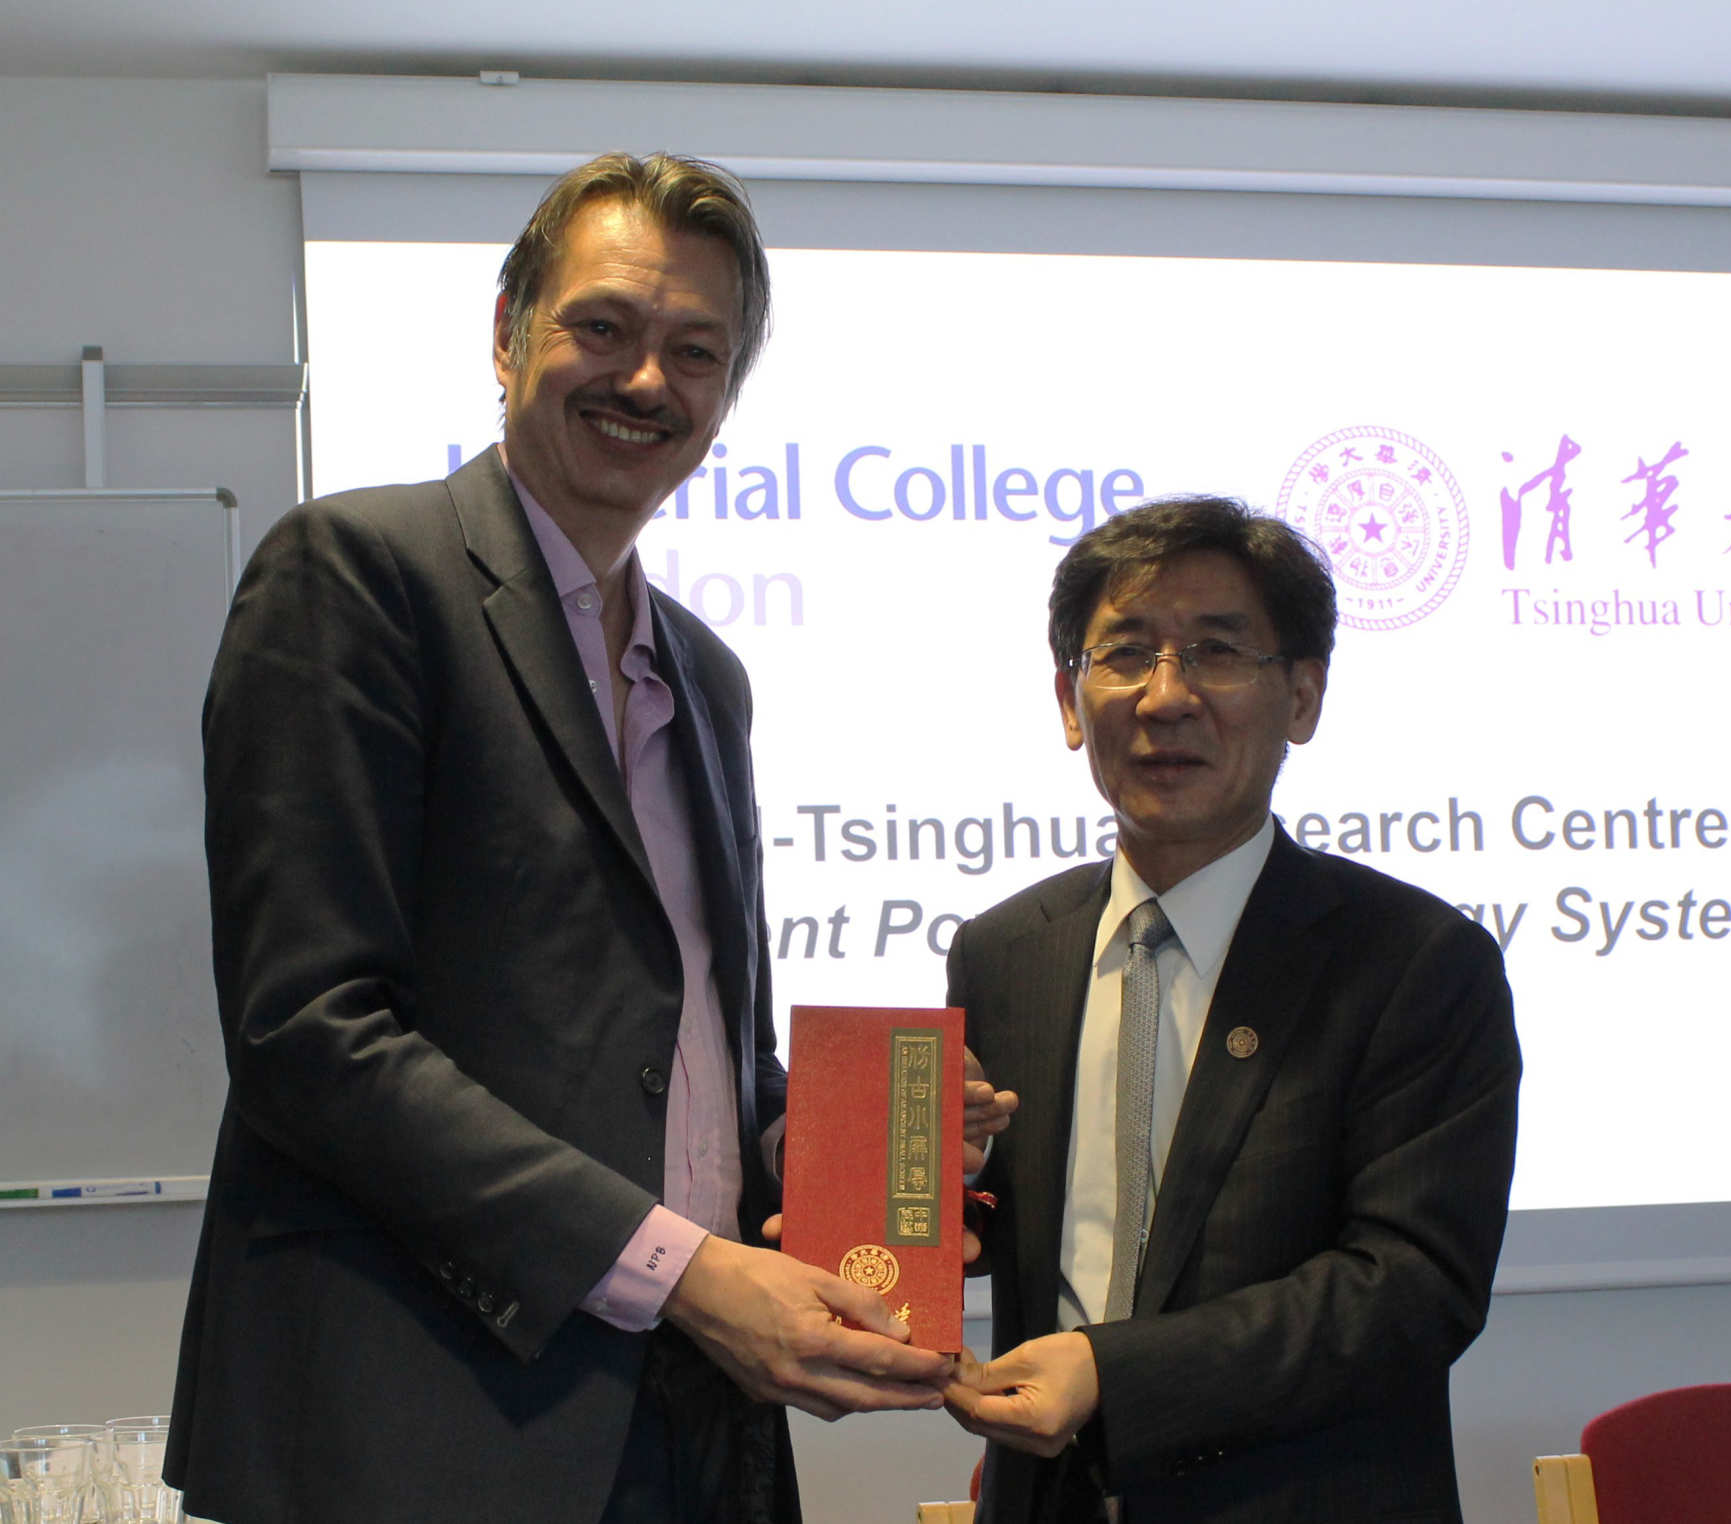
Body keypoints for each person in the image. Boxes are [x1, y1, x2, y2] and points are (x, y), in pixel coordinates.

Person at [164, 152, 964, 1524]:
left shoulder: (706, 676)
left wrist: (888, 1150)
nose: (645, 381)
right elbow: (310, 1034)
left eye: (695, 351)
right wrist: (686, 1271)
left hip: (697, 1428)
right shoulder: (356, 577)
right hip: (420, 1435)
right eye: (603, 327)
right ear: (505, 333)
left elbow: (691, 1061)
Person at [942, 496, 1521, 1523]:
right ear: (1071, 702)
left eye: (1216, 653)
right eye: (1124, 654)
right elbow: (1024, 1232)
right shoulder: (1002, 953)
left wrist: (1111, 1373)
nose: (1165, 698)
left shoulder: (1415, 962)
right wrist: (943, 1190)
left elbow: (1410, 1287)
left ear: (1301, 696)